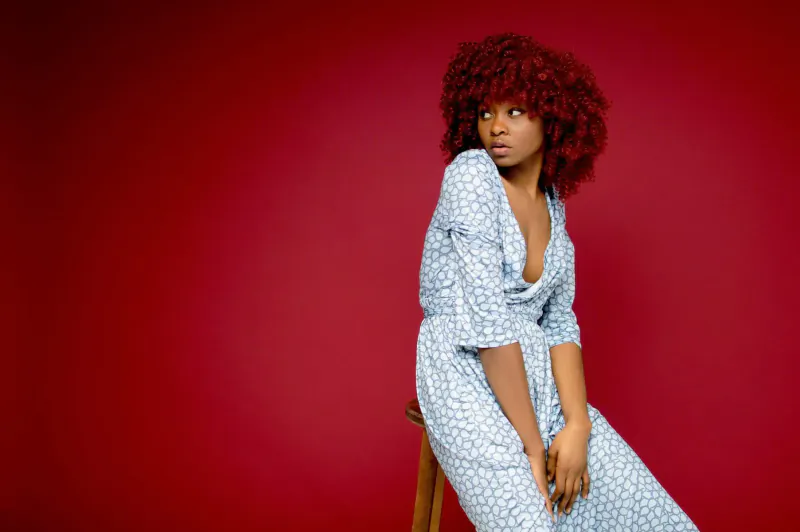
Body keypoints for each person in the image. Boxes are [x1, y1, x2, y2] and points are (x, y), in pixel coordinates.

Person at [415, 32, 699, 531]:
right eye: (485, 112)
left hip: (536, 384)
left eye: (515, 112)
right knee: (531, 524)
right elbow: (488, 325)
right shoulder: (472, 176)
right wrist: (531, 447)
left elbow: (559, 322)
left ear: (554, 117)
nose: (495, 127)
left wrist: (576, 426)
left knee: (654, 520)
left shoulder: (552, 204)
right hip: (464, 375)